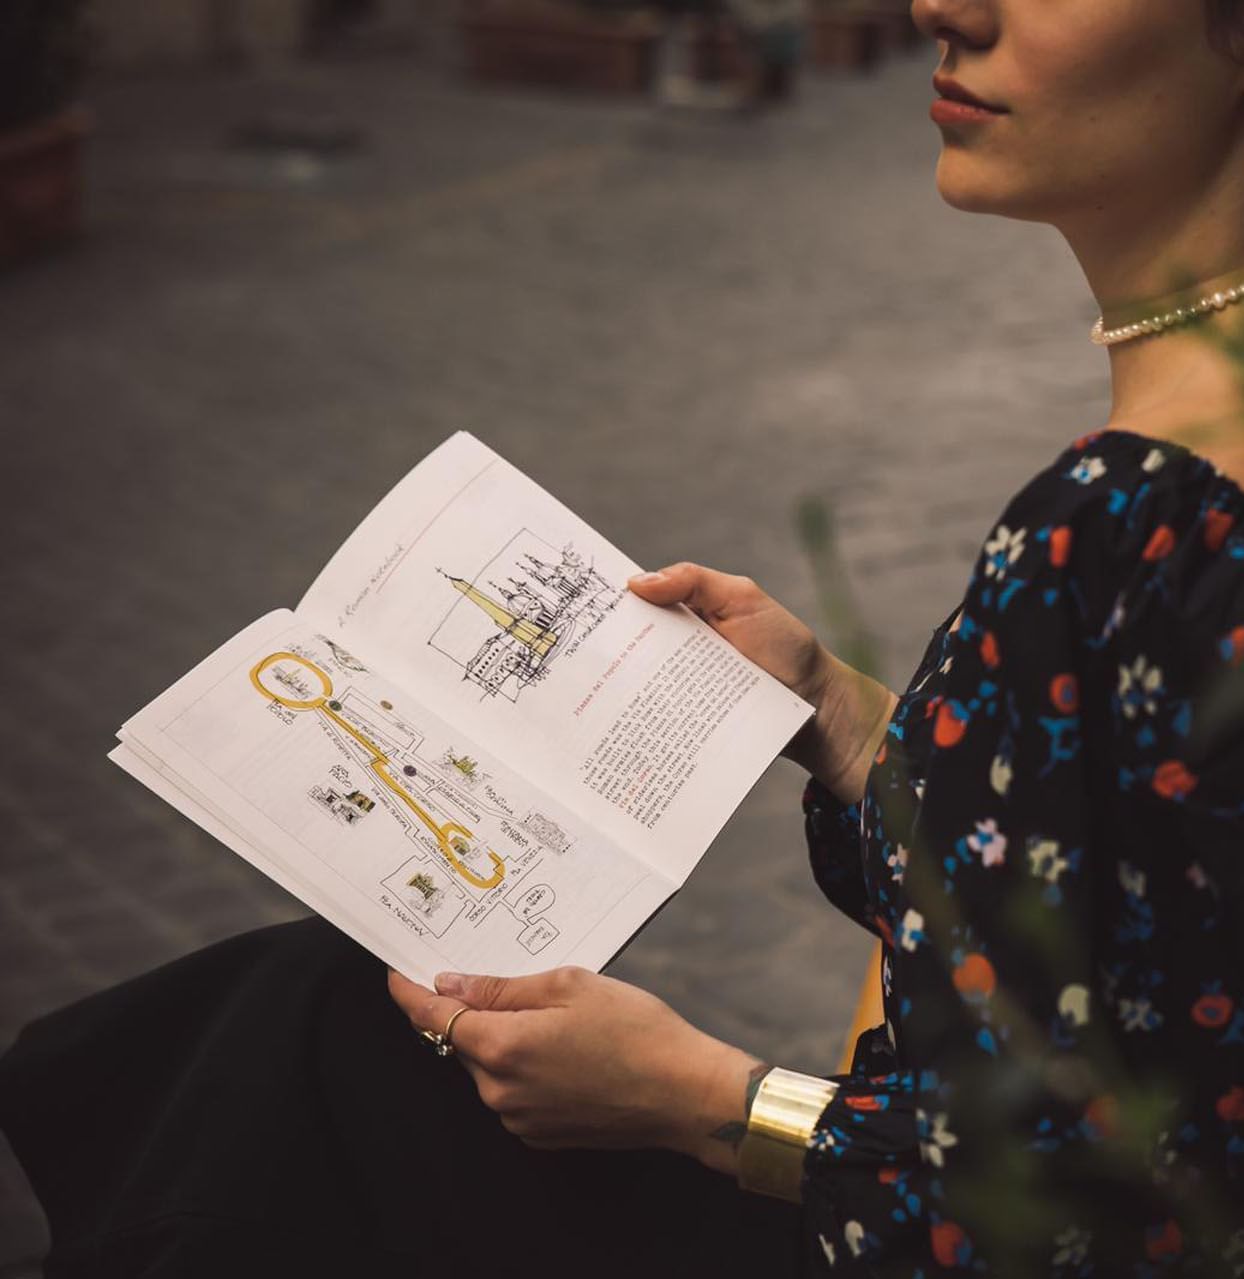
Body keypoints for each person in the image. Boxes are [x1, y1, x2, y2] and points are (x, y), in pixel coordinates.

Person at [3, 0, 1243, 1273]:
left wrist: (702, 1101)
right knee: (293, 1020)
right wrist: (839, 715)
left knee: (285, 1070)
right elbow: (1122, 905)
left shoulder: (1145, 517)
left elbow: (1106, 1204)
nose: (942, 6)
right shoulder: (1168, 464)